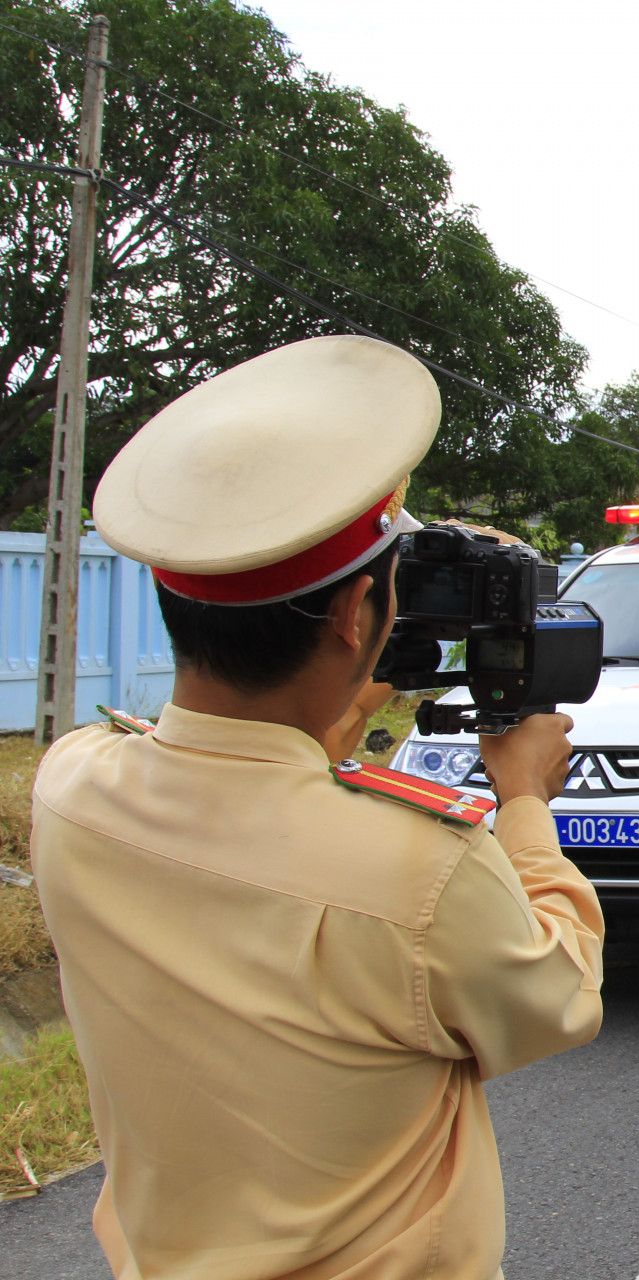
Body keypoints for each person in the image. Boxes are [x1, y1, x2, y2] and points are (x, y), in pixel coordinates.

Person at [31, 336, 604, 1278]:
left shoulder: (73, 786)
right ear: (356, 619)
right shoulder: (423, 868)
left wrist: (363, 680)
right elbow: (559, 998)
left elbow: (257, 782)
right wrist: (526, 800)